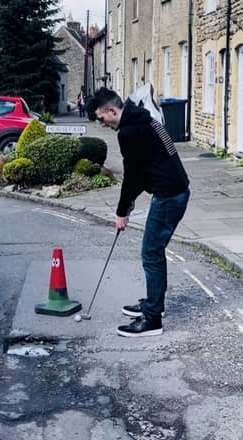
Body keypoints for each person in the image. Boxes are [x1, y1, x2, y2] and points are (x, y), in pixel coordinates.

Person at [86, 86, 190, 337]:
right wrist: (131, 201)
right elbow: (145, 167)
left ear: (112, 110)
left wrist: (122, 211)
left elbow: (132, 175)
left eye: (101, 118)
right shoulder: (140, 118)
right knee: (154, 251)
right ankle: (155, 304)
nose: (102, 124)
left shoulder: (130, 131)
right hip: (173, 190)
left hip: (169, 195)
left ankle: (152, 320)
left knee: (151, 253)